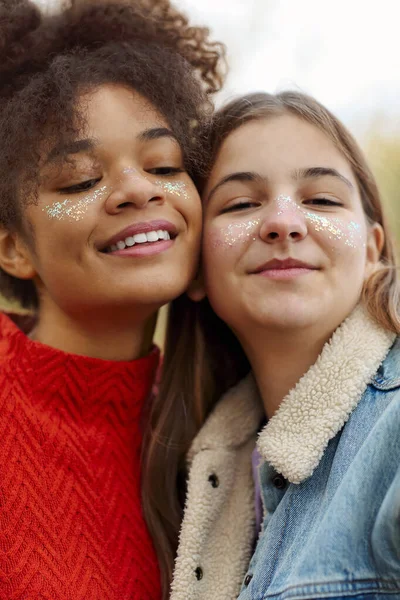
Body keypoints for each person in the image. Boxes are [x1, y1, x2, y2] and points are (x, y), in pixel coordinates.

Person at [0, 1, 225, 598]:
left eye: (164, 165)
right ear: (13, 248)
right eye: (80, 179)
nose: (134, 189)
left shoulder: (227, 422)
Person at [155, 91, 400, 600]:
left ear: (372, 250)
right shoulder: (197, 470)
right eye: (242, 204)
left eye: (322, 199)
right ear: (196, 269)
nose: (284, 222)